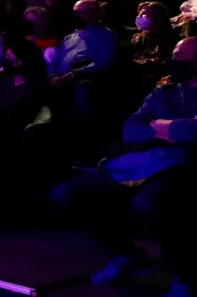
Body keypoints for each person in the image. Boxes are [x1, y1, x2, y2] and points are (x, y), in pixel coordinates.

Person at [51, 37, 197, 297]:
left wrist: (157, 126)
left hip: (185, 164)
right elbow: (131, 128)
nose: (175, 61)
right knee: (67, 194)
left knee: (150, 203)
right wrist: (166, 129)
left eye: (182, 57)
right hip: (145, 162)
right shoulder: (165, 91)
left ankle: (184, 274)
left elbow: (191, 131)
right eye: (174, 54)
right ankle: (126, 255)